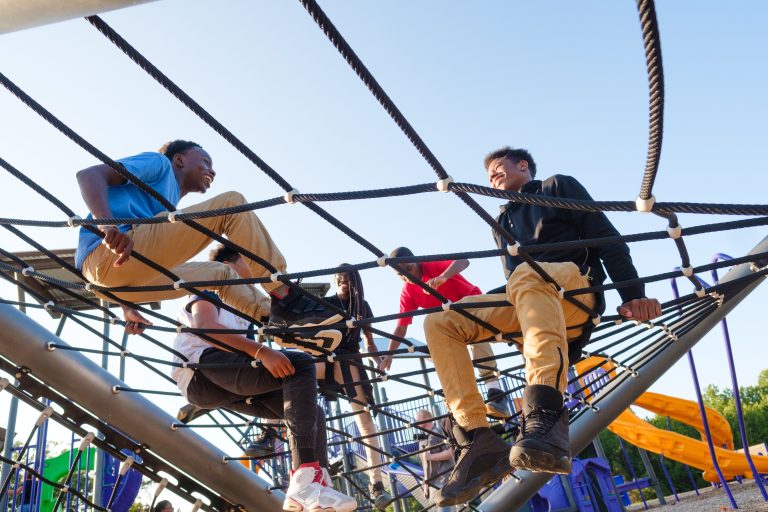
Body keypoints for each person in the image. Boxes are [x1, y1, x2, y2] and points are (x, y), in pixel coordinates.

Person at [425, 147, 662, 506]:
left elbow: (605, 237)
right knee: (441, 321)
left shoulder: (556, 186)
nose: (493, 177)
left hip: (575, 288)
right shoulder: (501, 223)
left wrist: (632, 294)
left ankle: (545, 413)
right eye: (488, 175)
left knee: (526, 273)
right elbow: (512, 283)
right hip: (531, 297)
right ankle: (477, 438)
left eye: (498, 168)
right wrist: (519, 331)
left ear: (523, 166)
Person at [74, 140, 340, 350]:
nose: (212, 170)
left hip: (116, 283)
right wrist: (106, 225)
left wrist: (127, 307)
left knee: (221, 275)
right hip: (107, 251)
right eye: (205, 161)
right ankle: (286, 296)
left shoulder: (169, 203)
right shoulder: (160, 164)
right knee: (231, 204)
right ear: (179, 159)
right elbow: (89, 175)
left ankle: (278, 324)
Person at [168, 254, 356, 511]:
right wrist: (261, 352)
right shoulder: (211, 285)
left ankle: (315, 489)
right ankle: (305, 477)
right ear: (228, 265)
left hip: (220, 381)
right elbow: (207, 327)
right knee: (300, 365)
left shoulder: (243, 305)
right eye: (248, 261)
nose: (253, 270)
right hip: (200, 367)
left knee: (313, 412)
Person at [380, 248, 511, 418]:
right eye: (400, 275)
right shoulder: (408, 291)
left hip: (473, 307)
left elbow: (464, 260)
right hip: (454, 325)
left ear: (417, 261)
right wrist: (390, 354)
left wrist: (444, 276)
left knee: (478, 336)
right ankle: (460, 399)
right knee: (439, 339)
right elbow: (401, 326)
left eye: (409, 269)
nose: (407, 276)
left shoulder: (432, 265)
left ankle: (495, 390)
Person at [316, 266, 392, 510]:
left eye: (348, 279)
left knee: (365, 420)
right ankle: (315, 479)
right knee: (305, 407)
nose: (344, 282)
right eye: (340, 279)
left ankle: (377, 482)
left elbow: (369, 343)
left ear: (355, 282)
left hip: (349, 360)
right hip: (326, 359)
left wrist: (380, 363)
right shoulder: (325, 303)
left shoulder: (362, 306)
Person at [414, 410, 459, 512]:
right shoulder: (422, 440)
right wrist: (425, 484)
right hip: (432, 485)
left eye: (417, 419)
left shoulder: (438, 432)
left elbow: (450, 453)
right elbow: (426, 465)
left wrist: (430, 457)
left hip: (443, 481)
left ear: (426, 418)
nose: (416, 422)